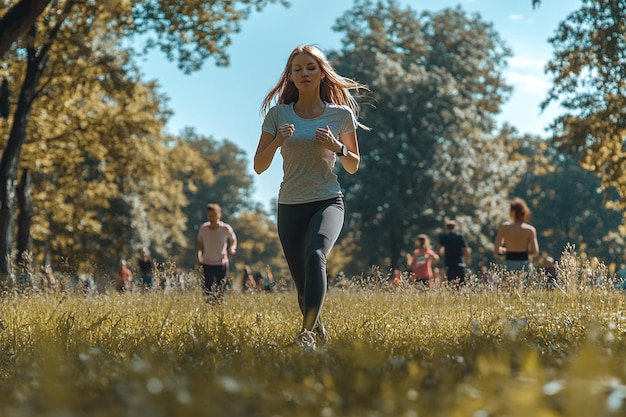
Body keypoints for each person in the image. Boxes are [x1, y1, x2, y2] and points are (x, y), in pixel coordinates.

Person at [253, 44, 368, 350]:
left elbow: (353, 165)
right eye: (297, 69)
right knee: (303, 285)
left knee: (315, 254)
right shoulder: (278, 115)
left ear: (321, 73)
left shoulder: (340, 115)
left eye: (310, 68)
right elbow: (259, 166)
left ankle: (304, 335)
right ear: (290, 76)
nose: (304, 73)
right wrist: (277, 140)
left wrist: (337, 146)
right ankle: (318, 337)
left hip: (327, 200)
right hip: (290, 205)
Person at [196, 203, 237, 302]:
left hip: (221, 263)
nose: (211, 218)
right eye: (209, 216)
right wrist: (199, 255)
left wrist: (232, 248)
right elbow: (199, 243)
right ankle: (208, 310)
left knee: (220, 289)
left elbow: (233, 240)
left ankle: (219, 309)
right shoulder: (203, 228)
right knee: (207, 289)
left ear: (219, 215)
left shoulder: (225, 228)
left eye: (213, 215)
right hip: (207, 262)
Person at [494, 198, 539, 276]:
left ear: (511, 212)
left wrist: (506, 250)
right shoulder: (530, 230)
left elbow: (497, 249)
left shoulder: (504, 227)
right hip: (524, 264)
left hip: (509, 264)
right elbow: (535, 252)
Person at [438, 220, 471, 285]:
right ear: (455, 227)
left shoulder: (444, 237)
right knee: (461, 285)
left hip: (450, 265)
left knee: (451, 285)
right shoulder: (460, 236)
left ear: (446, 228)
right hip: (460, 264)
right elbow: (466, 251)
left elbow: (439, 251)